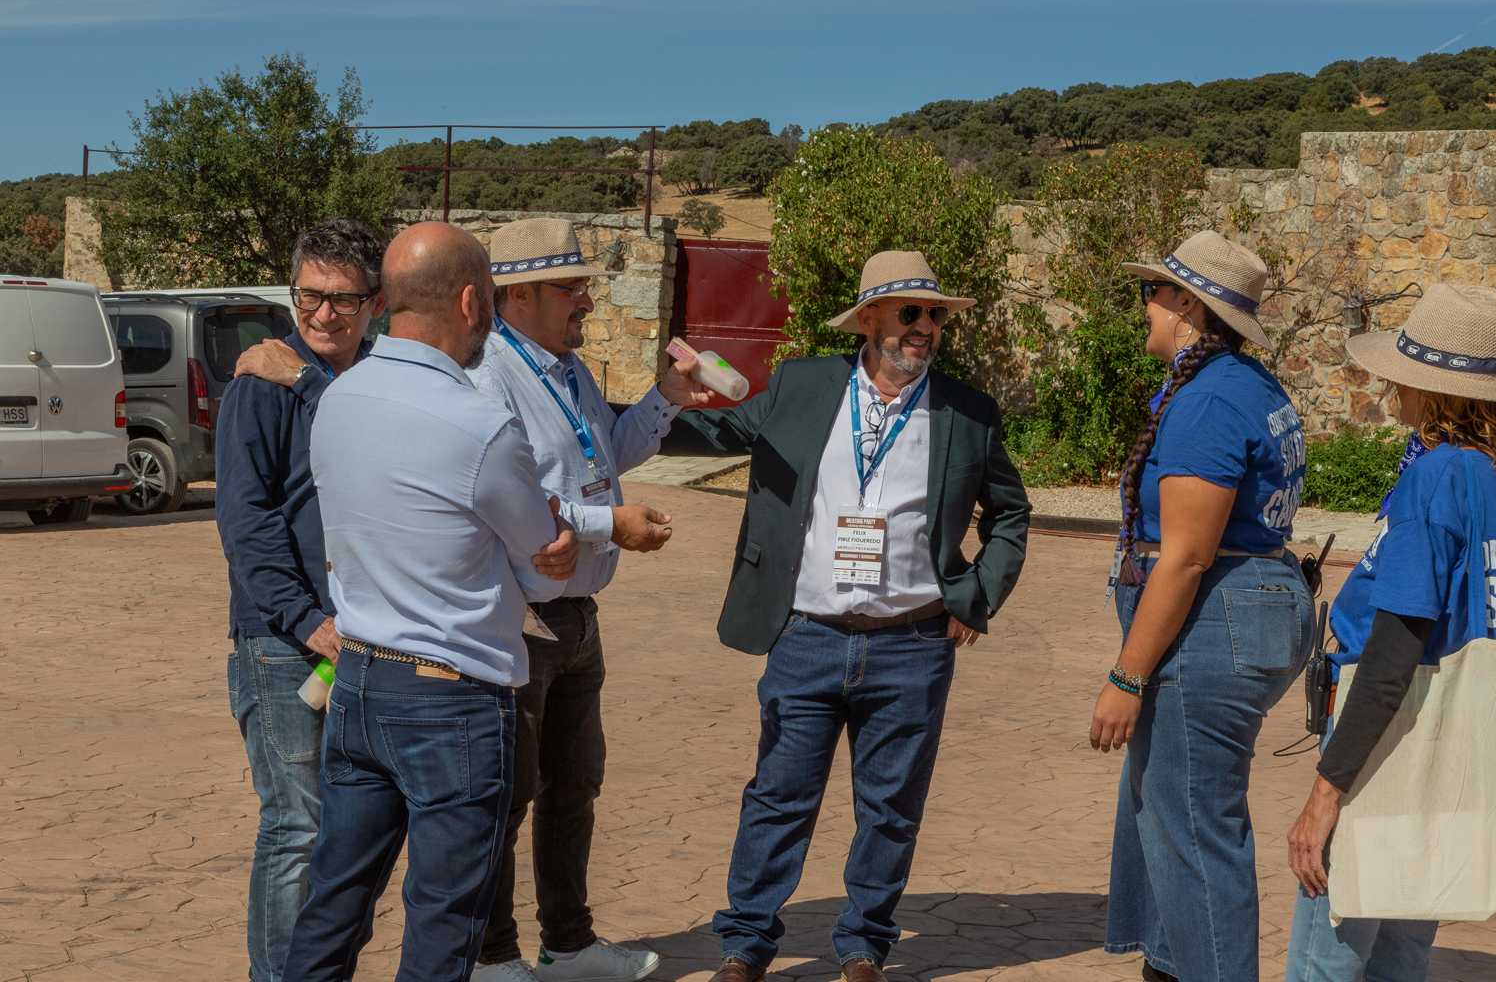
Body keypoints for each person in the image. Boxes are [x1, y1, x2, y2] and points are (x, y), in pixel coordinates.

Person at [661, 251, 1031, 982]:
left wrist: (977, 596)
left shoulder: (967, 411)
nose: (925, 327)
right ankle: (745, 945)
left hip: (913, 643)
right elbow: (718, 436)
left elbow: (1010, 513)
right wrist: (654, 406)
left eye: (935, 315)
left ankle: (863, 946)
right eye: (909, 312)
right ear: (868, 320)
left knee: (891, 807)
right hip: (807, 636)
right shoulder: (804, 384)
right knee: (778, 797)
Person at [279, 221, 581, 982]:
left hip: (358, 681)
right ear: (472, 302)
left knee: (334, 901)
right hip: (451, 700)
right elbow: (544, 570)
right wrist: (552, 545)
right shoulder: (481, 424)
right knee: (445, 923)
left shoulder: (339, 398)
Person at [468, 218, 715, 982]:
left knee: (574, 787)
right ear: (519, 295)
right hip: (519, 621)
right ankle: (490, 958)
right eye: (572, 287)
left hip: (575, 618)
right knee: (505, 796)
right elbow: (508, 501)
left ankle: (568, 946)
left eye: (585, 286)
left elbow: (607, 450)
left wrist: (667, 397)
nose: (587, 300)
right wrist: (612, 526)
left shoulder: (566, 367)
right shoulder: (486, 376)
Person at [1093, 229, 1316, 982]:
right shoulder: (1248, 384)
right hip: (1252, 606)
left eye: (1152, 292)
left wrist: (1126, 677)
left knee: (1193, 826)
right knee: (1171, 810)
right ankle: (1170, 963)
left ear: (1187, 305)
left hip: (1216, 622)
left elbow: (1186, 556)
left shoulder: (1210, 400)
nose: (1145, 306)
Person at [1284, 284, 1496, 982]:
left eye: (1402, 374)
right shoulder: (1487, 476)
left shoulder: (1435, 479)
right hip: (1452, 735)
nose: (1389, 385)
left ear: (1437, 391)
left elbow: (1393, 649)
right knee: (1402, 955)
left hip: (1387, 736)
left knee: (1327, 958)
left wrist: (1326, 793)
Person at [216, 217, 385, 982]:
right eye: (309, 295)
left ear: (376, 304)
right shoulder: (258, 387)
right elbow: (246, 522)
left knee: (352, 831)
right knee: (297, 826)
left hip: (371, 637)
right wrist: (306, 621)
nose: (323, 314)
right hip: (287, 645)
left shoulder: (378, 381)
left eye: (342, 299)